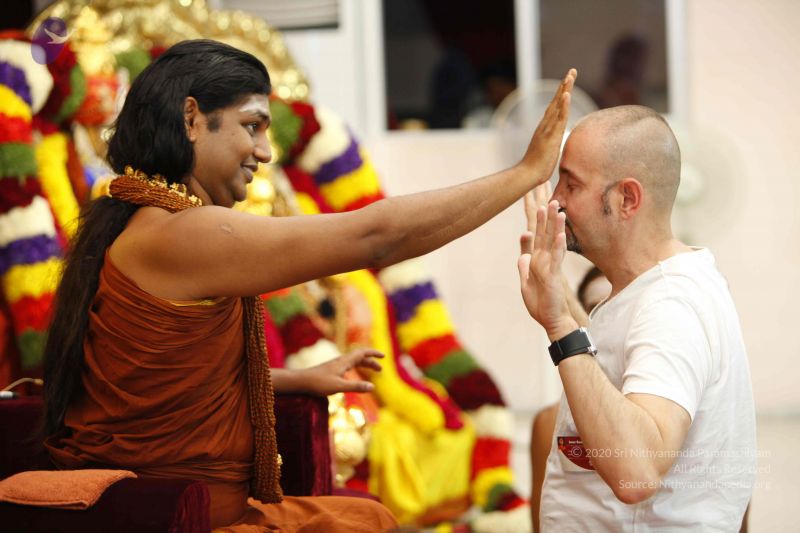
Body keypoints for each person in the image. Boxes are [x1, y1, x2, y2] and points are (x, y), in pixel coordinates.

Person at [41, 39, 576, 531]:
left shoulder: (148, 219)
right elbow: (376, 237)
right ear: (192, 119)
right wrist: (525, 173)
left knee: (367, 514)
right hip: (184, 517)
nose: (265, 152)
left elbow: (163, 382)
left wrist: (292, 379)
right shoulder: (179, 233)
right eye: (252, 126)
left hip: (204, 503)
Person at [516, 105, 755, 531]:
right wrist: (561, 300)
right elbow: (613, 379)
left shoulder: (672, 304)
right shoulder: (652, 292)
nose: (555, 200)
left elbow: (637, 469)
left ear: (627, 199)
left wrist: (560, 328)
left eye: (571, 184)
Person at [529, 264, 610, 532]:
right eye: (595, 309)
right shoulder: (550, 423)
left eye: (619, 309)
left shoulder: (675, 412)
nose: (608, 321)